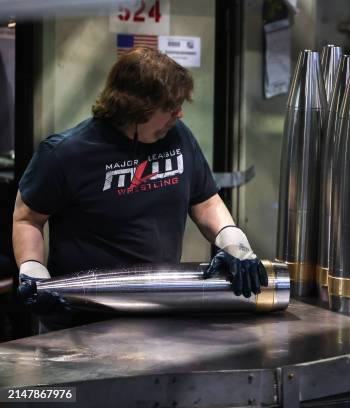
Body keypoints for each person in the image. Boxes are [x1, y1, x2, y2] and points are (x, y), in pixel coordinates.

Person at [12, 47, 267, 330]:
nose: (179, 114)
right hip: (82, 321)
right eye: (170, 108)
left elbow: (206, 201)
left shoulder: (178, 137)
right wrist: (34, 271)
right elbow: (28, 219)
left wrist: (234, 242)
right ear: (136, 108)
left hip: (157, 311)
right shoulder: (64, 154)